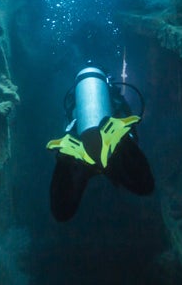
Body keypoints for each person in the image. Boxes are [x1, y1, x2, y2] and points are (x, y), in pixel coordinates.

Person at [46, 65, 154, 221]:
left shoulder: (75, 101)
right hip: (111, 144)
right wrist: (125, 140)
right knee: (145, 186)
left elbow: (69, 121)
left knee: (61, 212)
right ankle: (118, 140)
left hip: (81, 147)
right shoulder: (113, 96)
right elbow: (128, 118)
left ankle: (69, 155)